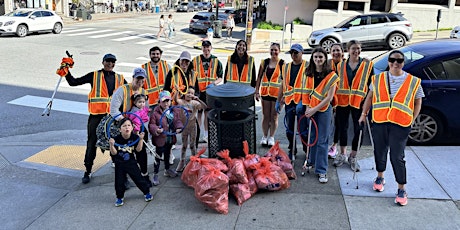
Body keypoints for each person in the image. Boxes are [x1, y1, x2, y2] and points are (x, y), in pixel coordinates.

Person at [359, 50, 424, 206]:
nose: (396, 63)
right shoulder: (377, 79)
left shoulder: (413, 81)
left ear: (403, 62)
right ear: (388, 61)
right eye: (392, 60)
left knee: (397, 156)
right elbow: (370, 97)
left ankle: (401, 188)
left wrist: (412, 120)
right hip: (380, 121)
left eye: (399, 60)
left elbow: (418, 102)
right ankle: (380, 176)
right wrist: (363, 114)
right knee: (379, 151)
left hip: (401, 124)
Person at [63, 53, 126, 184]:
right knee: (92, 142)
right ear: (103, 62)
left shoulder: (120, 78)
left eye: (112, 62)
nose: (110, 64)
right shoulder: (94, 76)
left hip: (112, 117)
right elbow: (73, 82)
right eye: (108, 61)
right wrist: (66, 69)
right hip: (96, 116)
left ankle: (117, 164)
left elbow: (130, 92)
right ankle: (88, 170)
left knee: (116, 141)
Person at [333, 40, 374, 172]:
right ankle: (343, 154)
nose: (356, 51)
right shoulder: (340, 65)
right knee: (342, 128)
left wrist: (368, 102)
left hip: (359, 102)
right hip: (342, 101)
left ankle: (353, 156)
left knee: (359, 129)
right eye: (353, 49)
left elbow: (371, 85)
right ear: (348, 50)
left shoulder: (367, 65)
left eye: (358, 48)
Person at [299, 48, 339, 183]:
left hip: (324, 110)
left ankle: (322, 170)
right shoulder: (308, 73)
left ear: (325, 58)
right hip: (311, 109)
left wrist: (314, 109)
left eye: (320, 57)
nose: (318, 60)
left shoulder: (331, 75)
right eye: (315, 57)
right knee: (312, 137)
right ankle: (310, 161)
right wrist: (307, 108)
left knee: (322, 140)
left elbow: (329, 98)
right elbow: (305, 93)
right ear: (312, 58)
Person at [110, 68, 151, 187]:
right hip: (123, 125)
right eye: (138, 79)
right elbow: (113, 110)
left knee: (141, 152)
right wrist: (126, 123)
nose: (140, 82)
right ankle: (123, 178)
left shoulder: (144, 92)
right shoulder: (122, 90)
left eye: (142, 79)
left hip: (138, 126)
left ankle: (144, 175)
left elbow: (144, 112)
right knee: (123, 154)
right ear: (133, 78)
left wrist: (141, 126)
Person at [108, 118, 153, 207]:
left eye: (129, 125)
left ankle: (146, 192)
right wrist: (111, 145)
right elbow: (114, 153)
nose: (127, 128)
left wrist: (140, 140)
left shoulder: (135, 138)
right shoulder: (116, 139)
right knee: (119, 181)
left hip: (131, 162)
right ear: (120, 129)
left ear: (132, 127)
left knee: (138, 178)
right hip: (119, 163)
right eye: (124, 126)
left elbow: (138, 150)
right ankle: (119, 197)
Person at [276, 43, 308, 159]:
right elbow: (282, 85)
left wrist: (303, 102)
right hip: (289, 102)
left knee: (303, 131)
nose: (293, 55)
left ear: (302, 53)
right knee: (290, 130)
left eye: (296, 53)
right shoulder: (286, 67)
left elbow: (310, 86)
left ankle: (306, 150)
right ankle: (292, 149)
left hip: (302, 103)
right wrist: (278, 100)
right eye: (292, 53)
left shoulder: (307, 66)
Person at [149, 91, 184, 185]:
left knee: (168, 154)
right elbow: (151, 125)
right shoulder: (155, 113)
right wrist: (156, 129)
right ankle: (155, 174)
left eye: (168, 101)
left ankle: (167, 169)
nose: (166, 103)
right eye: (164, 101)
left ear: (170, 101)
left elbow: (177, 121)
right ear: (159, 102)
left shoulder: (173, 111)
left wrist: (178, 127)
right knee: (158, 156)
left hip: (170, 138)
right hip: (160, 139)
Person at [192, 40, 223, 144]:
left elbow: (220, 77)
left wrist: (214, 83)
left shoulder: (216, 61)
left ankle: (206, 134)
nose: (206, 49)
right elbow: (190, 75)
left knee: (207, 112)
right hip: (198, 91)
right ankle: (196, 133)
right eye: (204, 47)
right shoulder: (195, 60)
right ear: (202, 48)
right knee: (198, 112)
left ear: (211, 48)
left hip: (210, 91)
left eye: (208, 47)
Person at [255, 42, 284, 147]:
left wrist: (283, 96)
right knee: (265, 116)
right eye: (272, 50)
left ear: (279, 51)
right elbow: (259, 77)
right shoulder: (265, 62)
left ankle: (271, 137)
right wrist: (257, 91)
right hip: (265, 93)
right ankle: (264, 136)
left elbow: (285, 81)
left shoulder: (282, 64)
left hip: (277, 95)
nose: (273, 52)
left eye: (275, 50)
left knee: (274, 116)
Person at [174, 87, 207, 172]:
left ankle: (195, 160)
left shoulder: (195, 103)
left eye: (192, 93)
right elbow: (175, 99)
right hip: (184, 127)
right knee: (184, 145)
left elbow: (204, 107)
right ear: (184, 93)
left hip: (193, 126)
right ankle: (182, 161)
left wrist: (198, 99)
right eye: (188, 92)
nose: (189, 94)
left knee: (192, 145)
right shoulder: (181, 102)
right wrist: (177, 91)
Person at [327, 43, 345, 159]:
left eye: (338, 50)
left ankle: (335, 146)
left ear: (342, 52)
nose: (335, 53)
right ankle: (328, 145)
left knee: (340, 124)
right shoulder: (328, 64)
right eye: (333, 51)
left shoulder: (346, 64)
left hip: (343, 99)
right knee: (328, 124)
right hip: (329, 98)